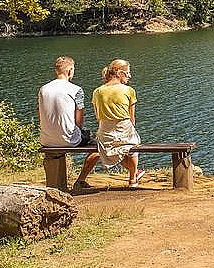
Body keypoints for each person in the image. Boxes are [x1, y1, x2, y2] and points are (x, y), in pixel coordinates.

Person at [38, 55, 100, 191]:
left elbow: (40, 114)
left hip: (46, 140)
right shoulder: (76, 89)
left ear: (56, 70)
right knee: (99, 143)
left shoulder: (43, 89)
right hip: (69, 140)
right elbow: (79, 121)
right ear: (70, 70)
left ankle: (56, 184)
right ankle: (81, 180)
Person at [92, 59, 144, 188]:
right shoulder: (129, 90)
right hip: (125, 129)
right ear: (120, 73)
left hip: (105, 133)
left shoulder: (97, 92)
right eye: (127, 73)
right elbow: (132, 119)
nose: (130, 76)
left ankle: (134, 174)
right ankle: (132, 179)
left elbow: (98, 117)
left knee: (115, 147)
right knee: (133, 146)